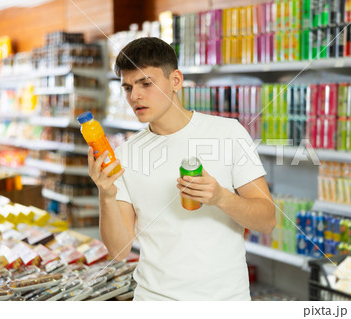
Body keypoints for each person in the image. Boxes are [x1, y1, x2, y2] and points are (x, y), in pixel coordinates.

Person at [87, 37, 275, 301]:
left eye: (146, 83)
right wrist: (105, 194)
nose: (135, 96)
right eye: (128, 87)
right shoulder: (124, 155)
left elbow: (267, 220)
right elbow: (119, 252)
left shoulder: (227, 133)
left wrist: (221, 197)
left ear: (175, 80)